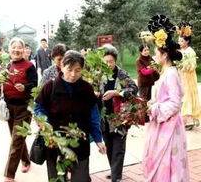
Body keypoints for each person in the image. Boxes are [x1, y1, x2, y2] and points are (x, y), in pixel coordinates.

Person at [34, 50, 106, 182]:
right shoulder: (50, 86)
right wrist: (44, 123)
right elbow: (39, 107)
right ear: (61, 66)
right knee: (57, 178)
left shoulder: (86, 88)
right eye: (70, 69)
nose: (73, 74)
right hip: (55, 142)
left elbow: (93, 114)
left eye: (78, 70)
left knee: (81, 178)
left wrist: (98, 138)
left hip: (80, 142)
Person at [143, 15, 189, 181]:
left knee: (167, 163)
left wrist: (154, 108)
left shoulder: (170, 74)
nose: (154, 56)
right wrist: (153, 102)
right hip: (163, 124)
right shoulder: (167, 73)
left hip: (168, 127)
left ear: (164, 55)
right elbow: (166, 99)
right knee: (161, 162)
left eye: (156, 52)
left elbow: (175, 103)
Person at [99, 44, 138, 182]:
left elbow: (134, 89)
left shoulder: (121, 74)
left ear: (115, 61)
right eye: (106, 61)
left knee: (118, 148)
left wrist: (117, 93)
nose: (108, 64)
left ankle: (116, 177)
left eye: (111, 61)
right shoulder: (98, 75)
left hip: (120, 117)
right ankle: (114, 170)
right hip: (104, 118)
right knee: (109, 147)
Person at [3, 37, 37, 182]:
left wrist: (25, 87)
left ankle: (9, 175)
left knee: (16, 141)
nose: (16, 50)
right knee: (16, 138)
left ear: (24, 50)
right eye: (13, 47)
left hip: (24, 107)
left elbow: (35, 84)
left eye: (19, 47)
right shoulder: (6, 66)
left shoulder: (29, 66)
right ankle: (26, 160)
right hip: (9, 108)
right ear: (9, 50)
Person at [177, 23, 201, 129]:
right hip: (180, 76)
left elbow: (192, 65)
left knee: (188, 97)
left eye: (182, 41)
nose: (180, 42)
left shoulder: (190, 51)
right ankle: (184, 120)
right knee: (181, 97)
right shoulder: (179, 51)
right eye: (179, 41)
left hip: (188, 77)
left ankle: (189, 120)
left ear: (187, 41)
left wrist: (183, 65)